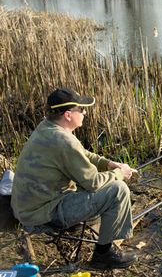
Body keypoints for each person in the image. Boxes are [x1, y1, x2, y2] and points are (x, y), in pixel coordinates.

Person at [11, 88, 137, 269]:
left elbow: (80, 152)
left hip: (28, 208)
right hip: (41, 215)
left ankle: (79, 225)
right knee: (118, 190)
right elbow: (93, 183)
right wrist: (120, 174)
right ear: (69, 115)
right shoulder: (63, 141)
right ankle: (104, 254)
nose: (85, 112)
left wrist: (107, 164)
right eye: (81, 109)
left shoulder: (48, 127)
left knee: (103, 183)